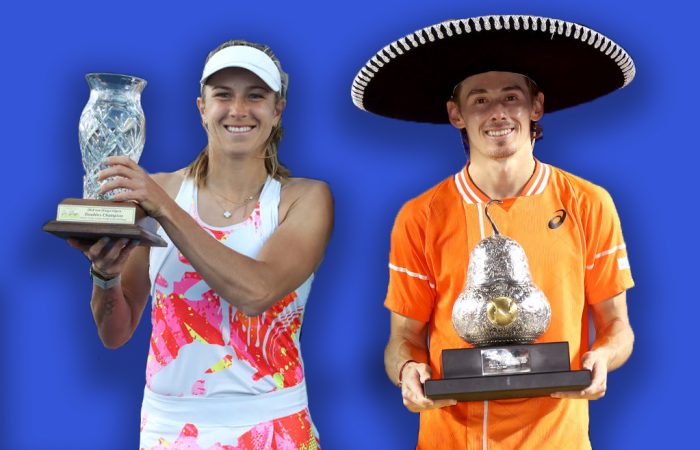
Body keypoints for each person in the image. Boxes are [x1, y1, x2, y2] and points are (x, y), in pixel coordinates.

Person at [351, 15, 635, 449]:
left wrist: (603, 358)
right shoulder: (420, 216)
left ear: (535, 106)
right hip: (449, 438)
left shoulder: (589, 204)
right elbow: (403, 340)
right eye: (480, 100)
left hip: (557, 439)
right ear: (456, 114)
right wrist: (409, 371)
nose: (498, 112)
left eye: (511, 97)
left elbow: (618, 327)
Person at [68, 40, 332, 449]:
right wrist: (104, 275)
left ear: (277, 110)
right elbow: (115, 333)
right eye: (222, 95)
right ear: (201, 108)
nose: (238, 110)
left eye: (256, 96)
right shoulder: (161, 189)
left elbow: (256, 292)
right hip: (169, 432)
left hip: (275, 426)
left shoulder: (304, 199)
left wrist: (164, 208)